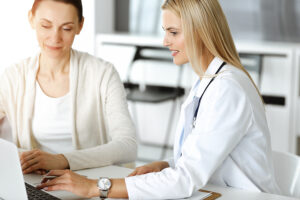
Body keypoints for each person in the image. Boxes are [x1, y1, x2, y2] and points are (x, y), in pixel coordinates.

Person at [37, 0, 281, 199]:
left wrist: (95, 187)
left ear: (201, 31)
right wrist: (166, 164)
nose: (165, 42)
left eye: (173, 32)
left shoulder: (227, 88)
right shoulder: (208, 80)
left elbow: (186, 179)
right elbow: (207, 153)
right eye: (165, 32)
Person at [0, 0, 136, 174]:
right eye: (46, 26)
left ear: (80, 26)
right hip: (35, 182)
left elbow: (128, 145)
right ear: (31, 19)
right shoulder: (14, 77)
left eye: (66, 28)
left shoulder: (103, 74)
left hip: (90, 182)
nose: (55, 38)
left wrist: (61, 160)